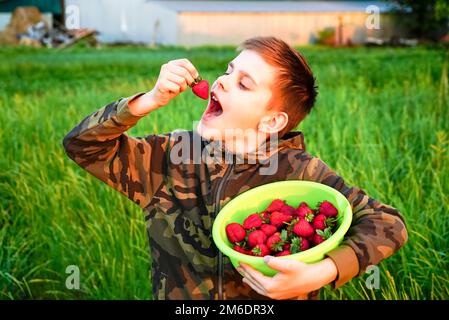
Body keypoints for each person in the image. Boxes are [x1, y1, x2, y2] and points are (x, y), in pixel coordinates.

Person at [63, 36, 408, 300]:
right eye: (229, 70)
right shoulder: (168, 157)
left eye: (244, 83)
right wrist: (147, 100)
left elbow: (388, 223)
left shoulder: (302, 172)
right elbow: (81, 145)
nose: (223, 81)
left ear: (273, 121)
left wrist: (322, 272)